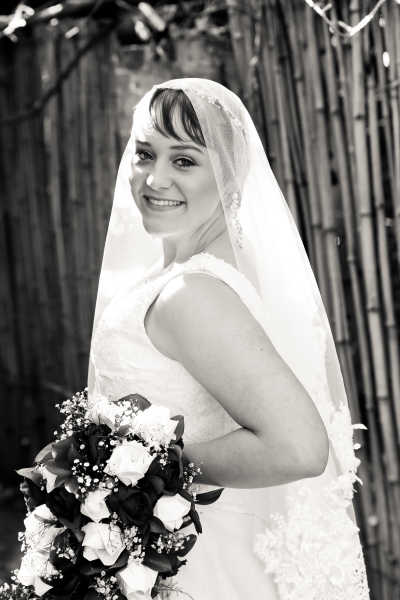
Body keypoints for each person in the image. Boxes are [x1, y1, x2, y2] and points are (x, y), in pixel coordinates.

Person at [88, 78, 370, 599]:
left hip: (196, 568)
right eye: (145, 153)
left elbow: (299, 448)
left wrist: (136, 472)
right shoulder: (204, 277)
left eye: (184, 160)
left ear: (230, 175)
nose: (155, 178)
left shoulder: (190, 294)